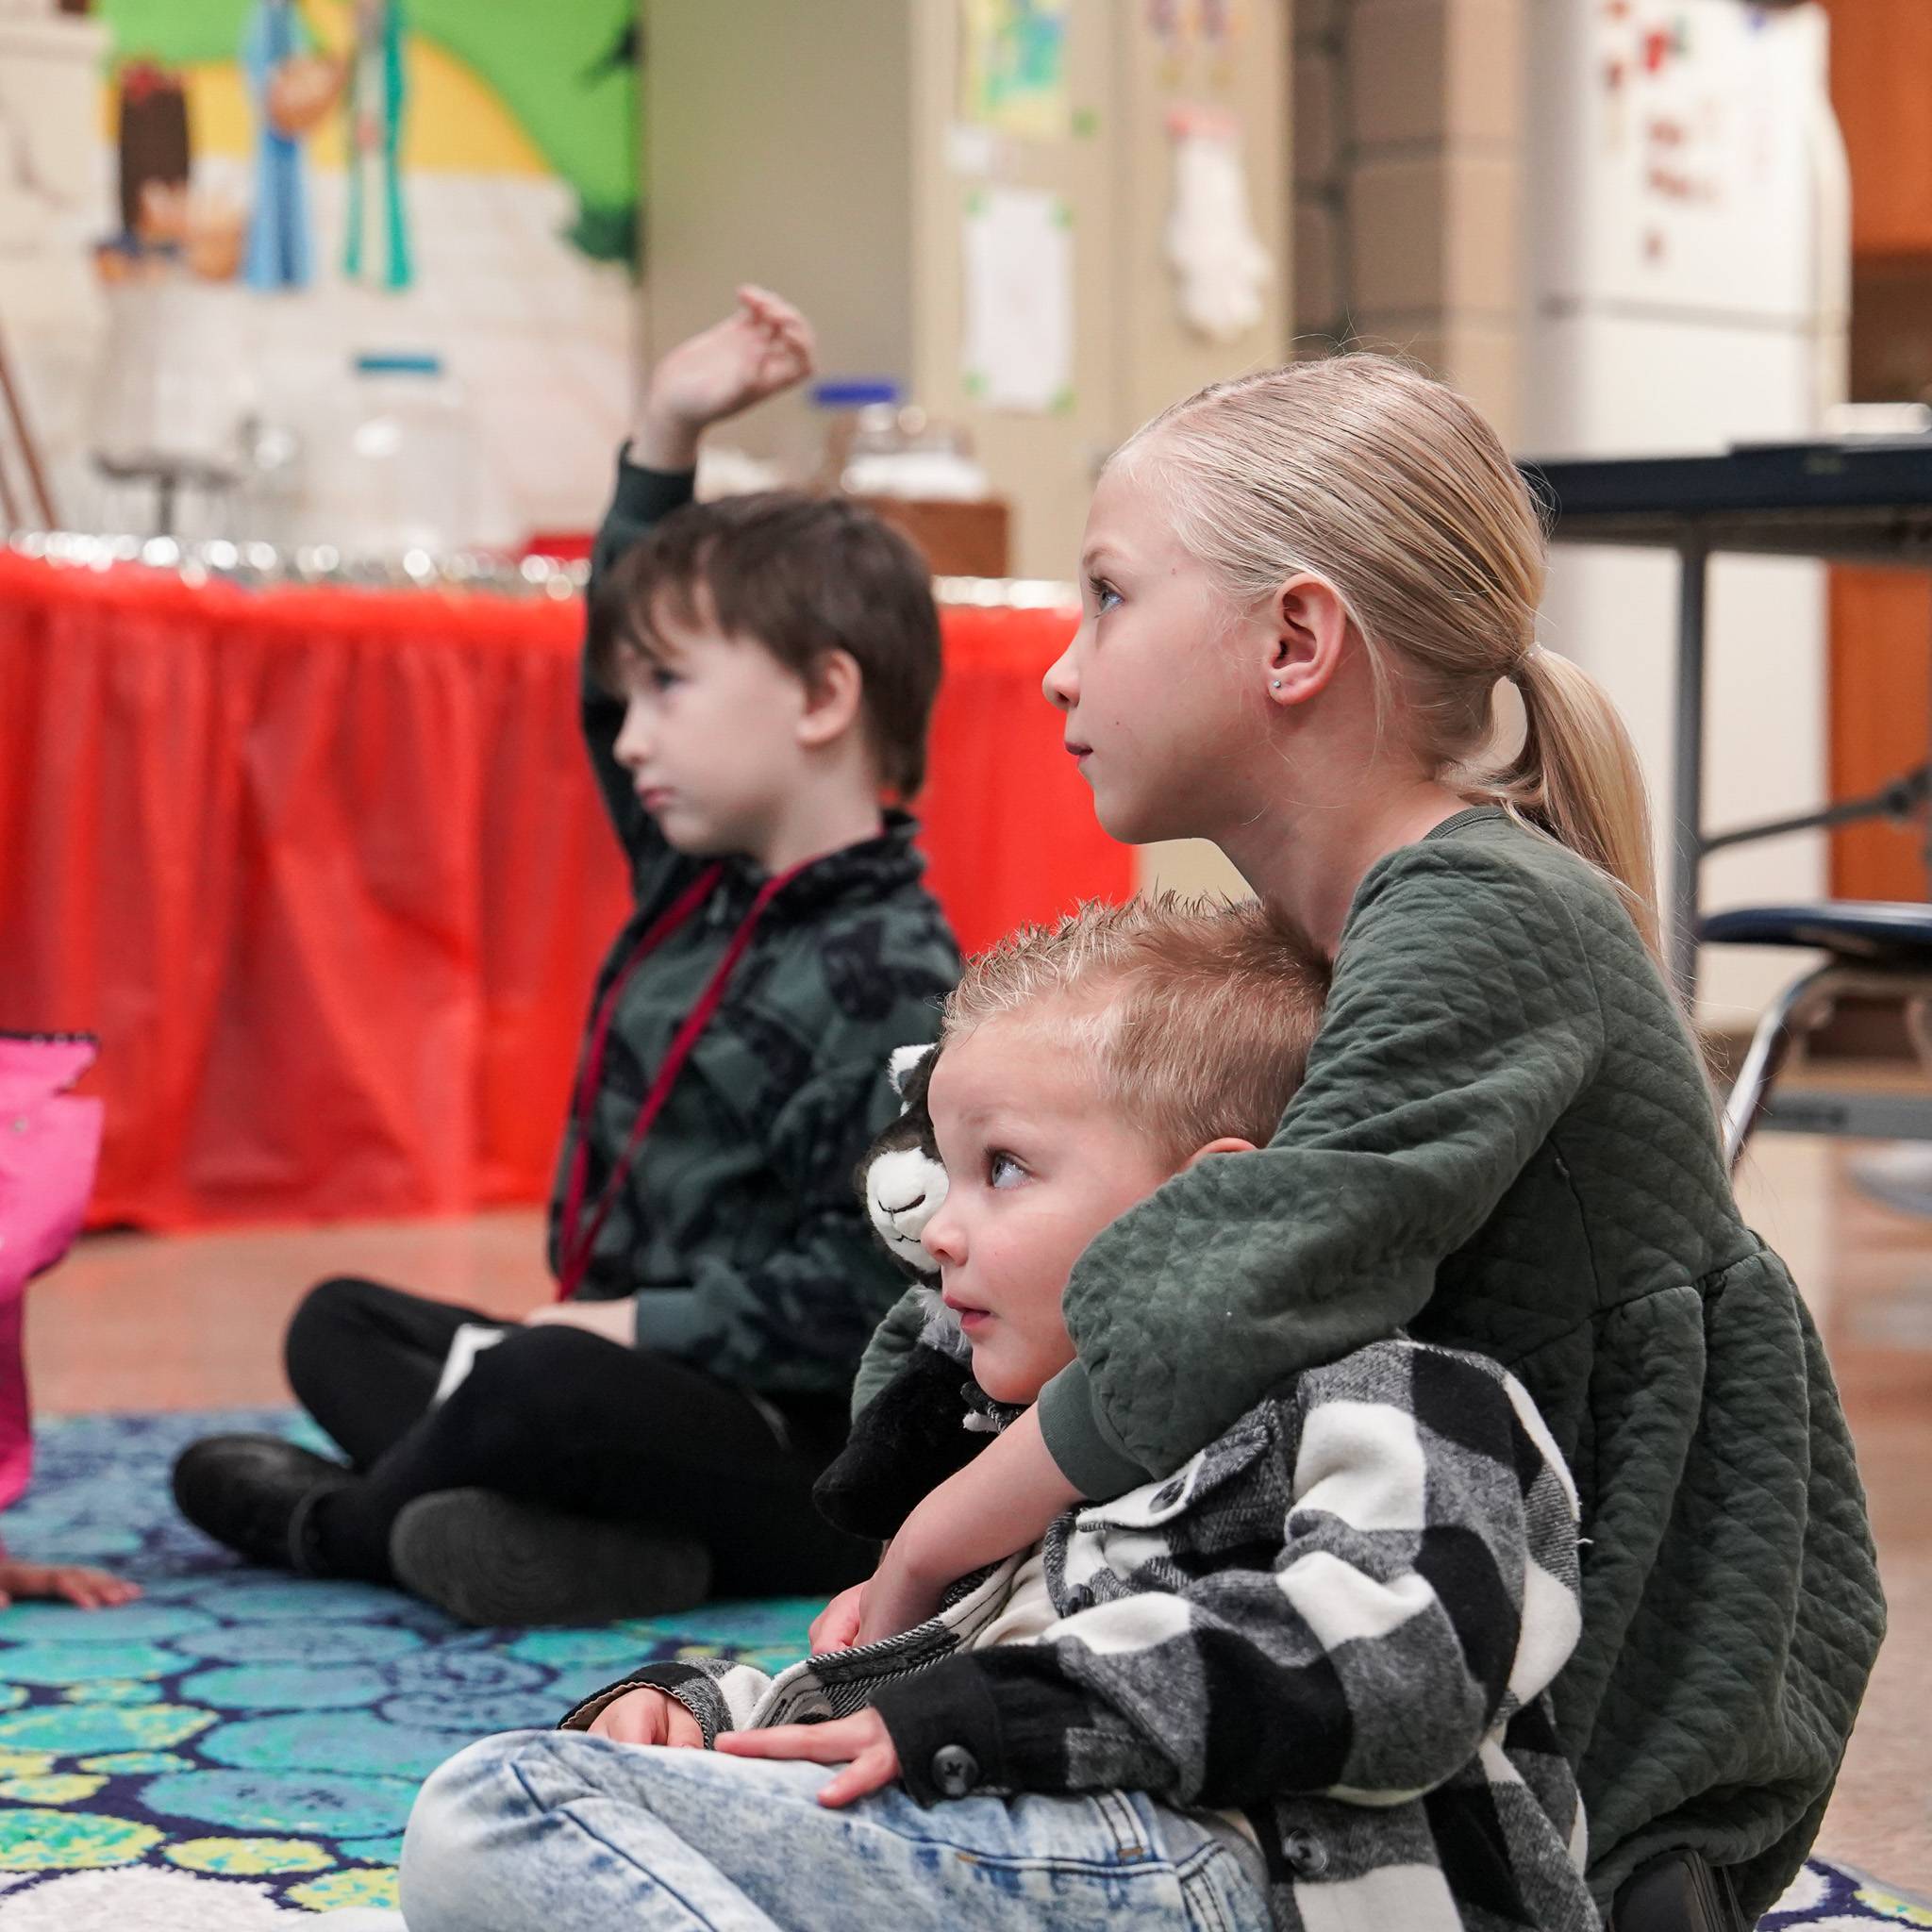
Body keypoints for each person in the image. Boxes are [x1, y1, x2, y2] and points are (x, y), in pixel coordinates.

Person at [830, 356, 1883, 1925]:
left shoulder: (1482, 910)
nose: (1062, 668)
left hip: (1629, 1709)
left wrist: (926, 1550)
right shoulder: (1338, 925)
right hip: (1438, 1597)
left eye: (1108, 598)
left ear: (1293, 639)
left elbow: (1253, 1281)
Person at [385, 897, 1598, 1932]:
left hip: (1244, 1877)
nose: (944, 1228)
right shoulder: (1017, 1466)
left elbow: (1403, 1661)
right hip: (1061, 1853)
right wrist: (687, 1724)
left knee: (500, 1811)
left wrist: (987, 1712)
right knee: (543, 1801)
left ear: (1209, 1204)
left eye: (1002, 1168)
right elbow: (893, 1708)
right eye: (947, 1172)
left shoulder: (1395, 1391)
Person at [173, 290, 961, 1626]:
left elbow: (863, 1292)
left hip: (804, 1454)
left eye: (673, 691)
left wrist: (628, 1335)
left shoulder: (895, 973)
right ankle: (591, 1543)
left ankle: (344, 1526)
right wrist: (664, 430)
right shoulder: (693, 883)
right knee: (341, 1325)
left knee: (540, 1383)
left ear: (824, 699)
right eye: (631, 696)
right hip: (635, 1388)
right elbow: (606, 683)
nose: (631, 735)